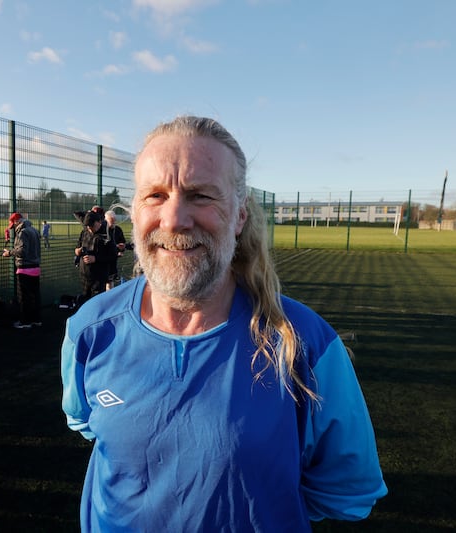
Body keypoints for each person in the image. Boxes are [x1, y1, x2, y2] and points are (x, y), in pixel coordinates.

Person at [60, 116, 387, 531]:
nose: (174, 218)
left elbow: (346, 491)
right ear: (134, 211)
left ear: (239, 216)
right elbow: (85, 422)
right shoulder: (89, 330)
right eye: (155, 195)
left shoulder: (306, 344)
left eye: (199, 196)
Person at [2, 212, 42, 329]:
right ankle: (36, 319)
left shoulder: (22, 232)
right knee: (35, 296)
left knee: (24, 298)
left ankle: (25, 321)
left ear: (17, 222)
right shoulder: (34, 230)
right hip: (35, 267)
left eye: (13, 225)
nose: (13, 228)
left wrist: (9, 252)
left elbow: (22, 251)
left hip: (25, 269)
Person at [73, 211, 116, 304]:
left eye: (92, 226)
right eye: (88, 227)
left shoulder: (107, 234)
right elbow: (76, 248)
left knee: (97, 303)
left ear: (98, 222)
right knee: (85, 300)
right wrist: (78, 251)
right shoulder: (85, 232)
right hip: (85, 275)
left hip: (99, 277)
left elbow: (113, 255)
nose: (90, 229)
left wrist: (95, 258)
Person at [103, 210, 126, 290]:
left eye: (114, 221)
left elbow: (122, 242)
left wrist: (121, 250)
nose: (113, 223)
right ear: (105, 220)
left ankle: (109, 298)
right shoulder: (102, 231)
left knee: (110, 282)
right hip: (102, 261)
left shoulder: (118, 230)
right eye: (111, 221)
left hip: (113, 261)